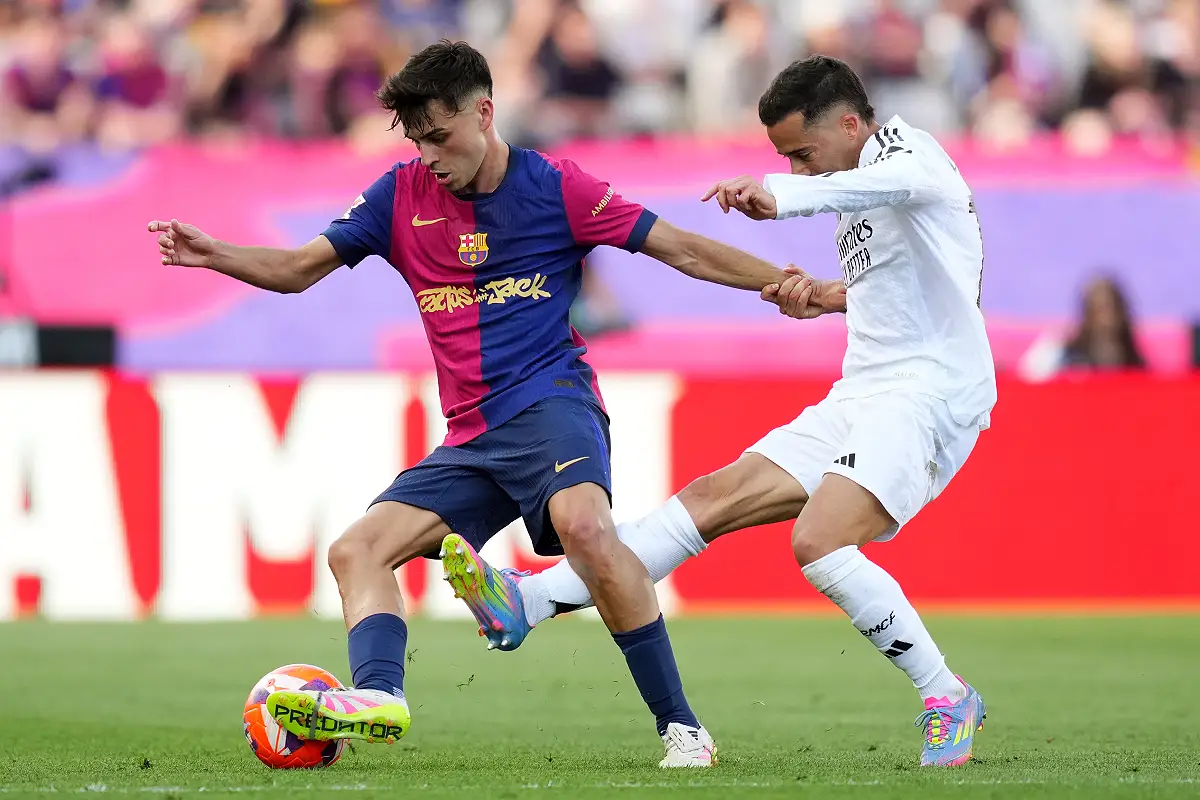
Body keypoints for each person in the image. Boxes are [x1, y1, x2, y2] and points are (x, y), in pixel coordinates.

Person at [147, 39, 804, 769]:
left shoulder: (558, 187)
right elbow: (300, 268)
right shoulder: (397, 196)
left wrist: (787, 284)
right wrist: (218, 254)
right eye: (417, 139)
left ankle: (682, 729)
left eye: (440, 135)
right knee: (355, 550)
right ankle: (380, 696)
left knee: (584, 526)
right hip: (472, 437)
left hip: (553, 402)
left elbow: (678, 247)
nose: (429, 154)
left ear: (484, 112)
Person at [448, 55, 996, 769]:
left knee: (819, 541)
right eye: (787, 162)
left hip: (930, 394)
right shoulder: (870, 188)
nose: (800, 171)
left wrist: (778, 195)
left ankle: (944, 693)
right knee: (711, 499)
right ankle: (532, 601)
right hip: (866, 388)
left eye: (803, 153)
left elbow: (893, 187)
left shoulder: (914, 155)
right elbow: (905, 288)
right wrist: (826, 296)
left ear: (853, 123)